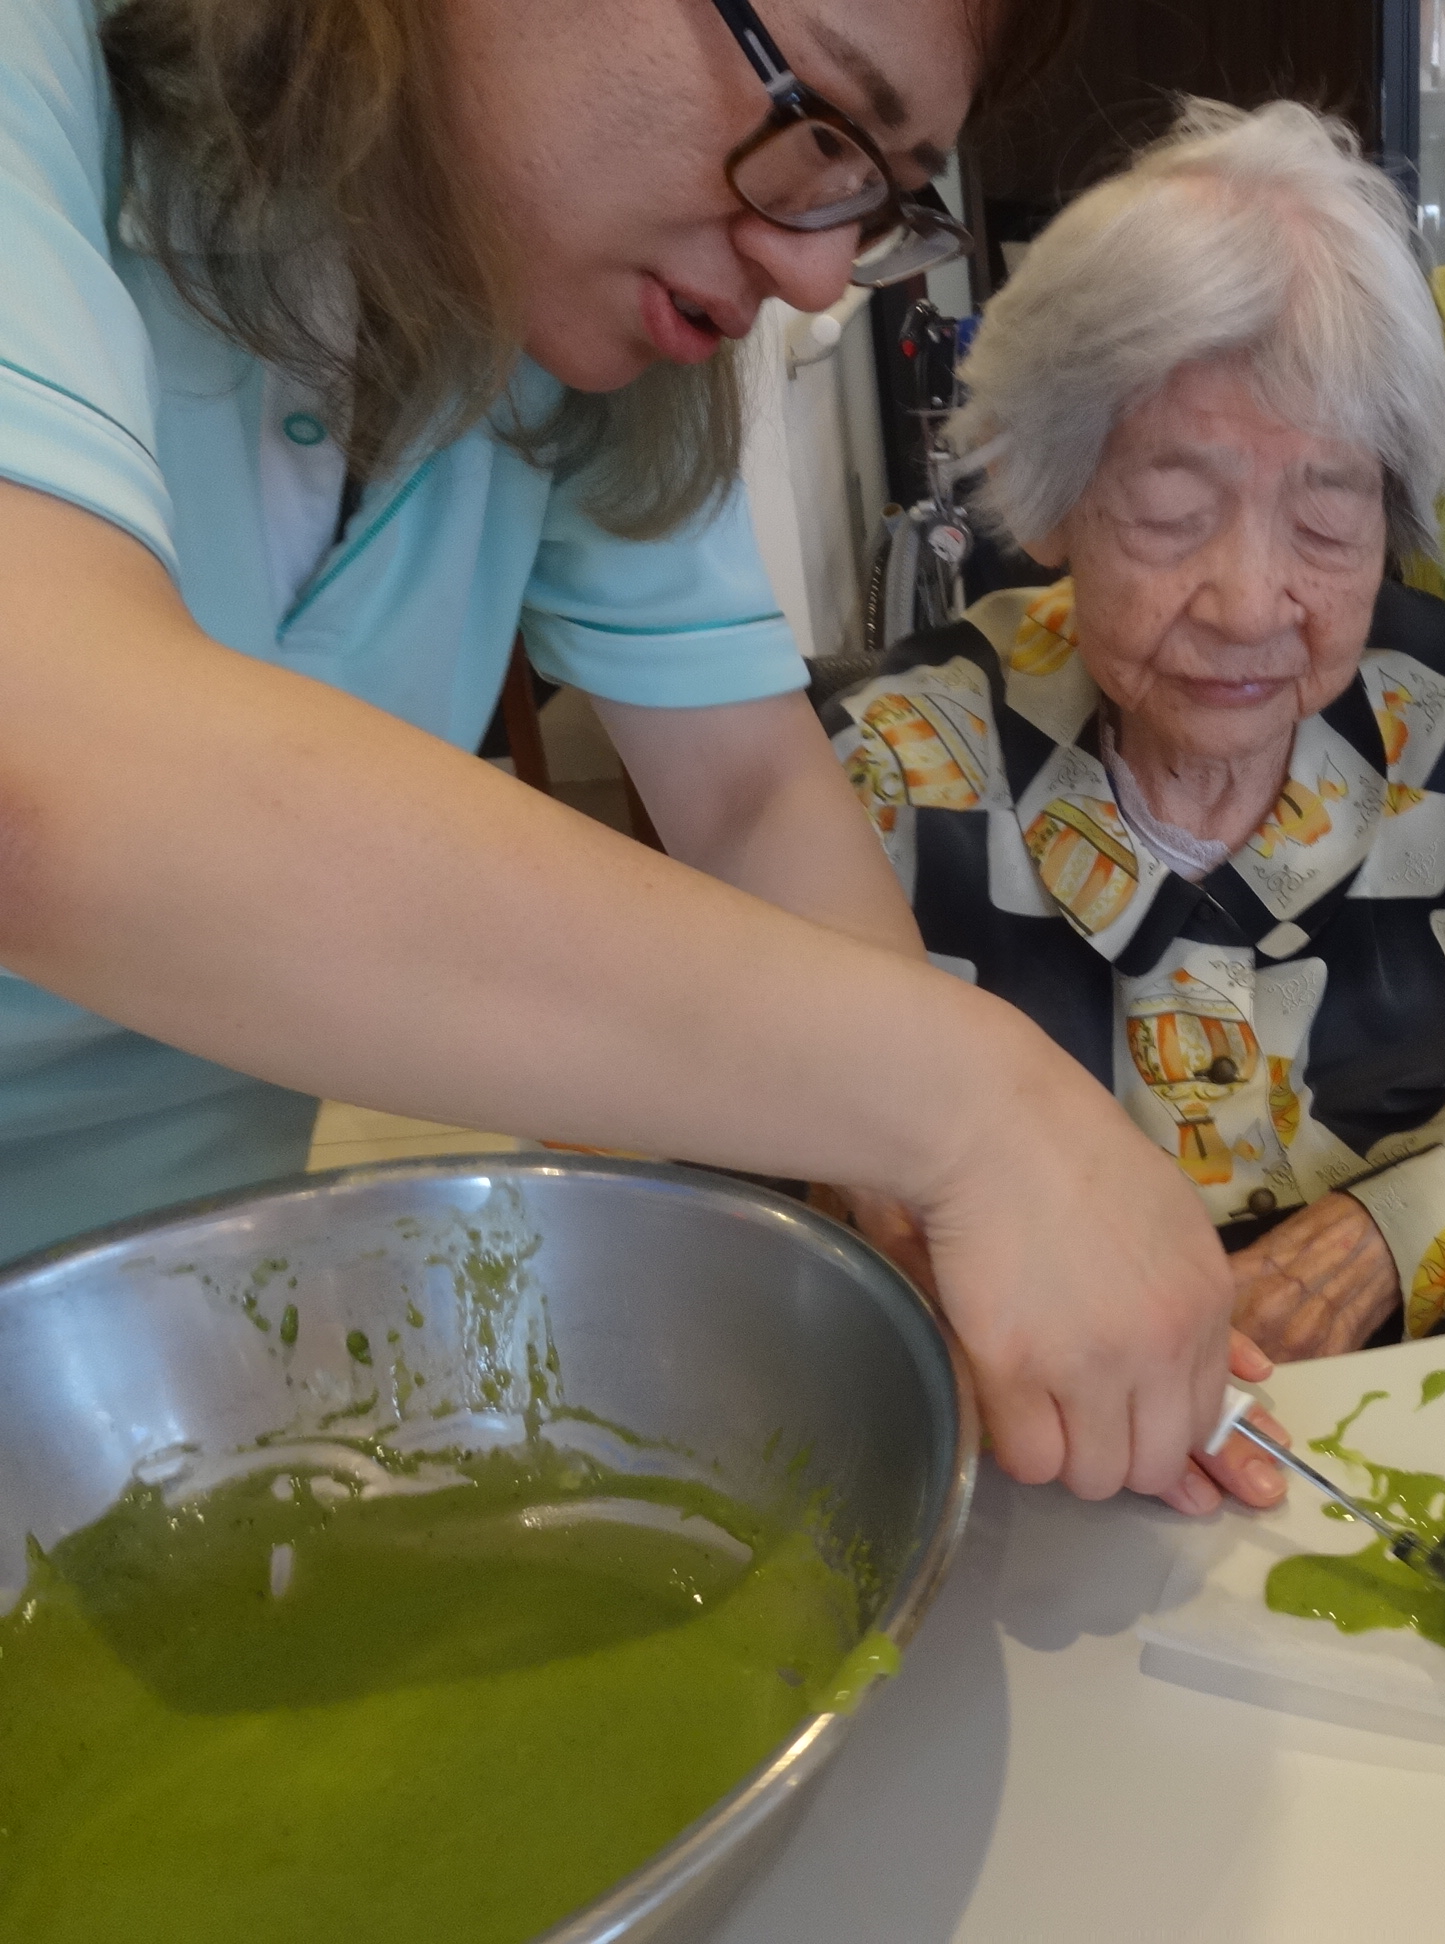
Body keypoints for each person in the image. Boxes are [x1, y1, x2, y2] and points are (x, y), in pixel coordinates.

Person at [0, 0, 1246, 1515]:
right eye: (818, 121)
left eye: (876, 194)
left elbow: (744, 790)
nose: (813, 275)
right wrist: (975, 1107)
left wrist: (939, 1223)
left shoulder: (542, 300)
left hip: (146, 1352)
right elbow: (53, 772)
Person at [822, 102, 1445, 1364]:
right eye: (1172, 512)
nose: (1248, 606)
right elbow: (747, 1139)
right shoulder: (896, 774)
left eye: (1327, 523)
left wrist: (1395, 1236)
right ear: (1050, 501)